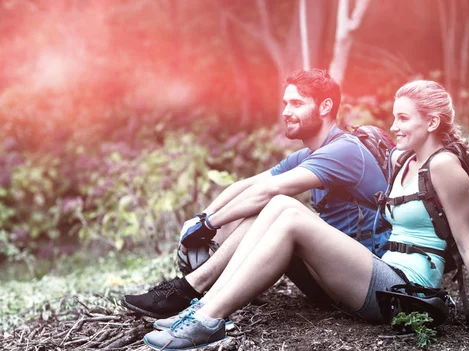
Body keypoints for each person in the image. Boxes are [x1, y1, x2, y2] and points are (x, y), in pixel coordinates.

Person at [143, 80, 469, 351]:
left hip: (408, 293)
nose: (393, 126)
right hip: (382, 275)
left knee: (288, 210)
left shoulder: (444, 166)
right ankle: (205, 309)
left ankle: (208, 319)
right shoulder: (404, 162)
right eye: (395, 116)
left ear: (432, 122)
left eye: (403, 118)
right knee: (283, 205)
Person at [121, 68, 391, 320]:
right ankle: (191, 291)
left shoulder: (344, 150)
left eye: (297, 104)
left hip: (360, 278)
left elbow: (269, 191)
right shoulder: (309, 155)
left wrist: (210, 226)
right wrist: (201, 218)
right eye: (286, 103)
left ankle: (191, 291)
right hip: (330, 272)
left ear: (325, 107)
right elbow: (246, 185)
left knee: (276, 205)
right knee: (259, 212)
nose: (286, 111)